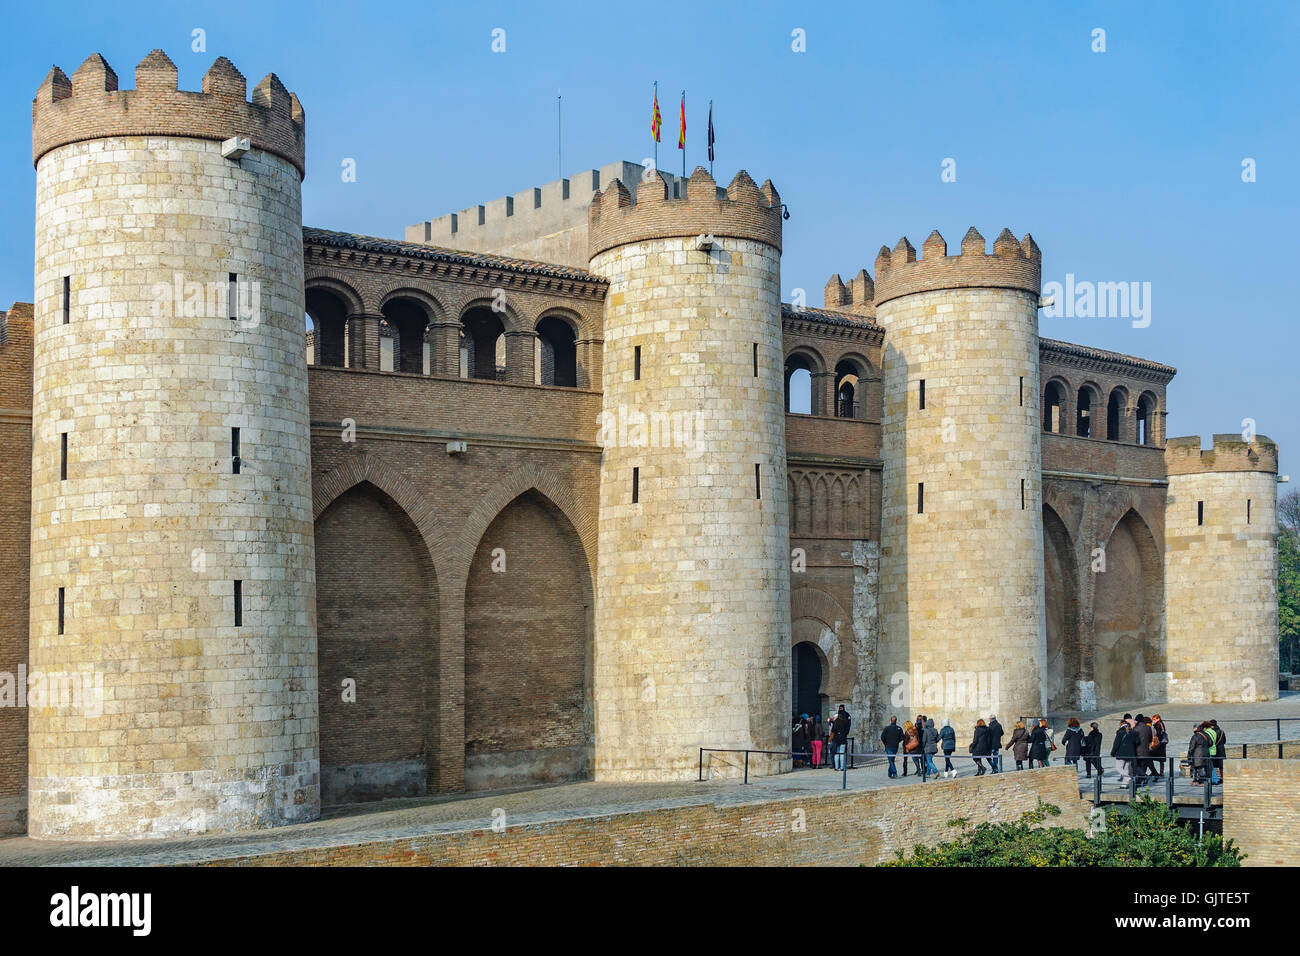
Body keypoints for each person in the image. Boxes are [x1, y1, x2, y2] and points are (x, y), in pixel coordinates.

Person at [1114, 718, 1138, 786]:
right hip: (1130, 753)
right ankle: (1124, 784)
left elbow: (1116, 743)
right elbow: (1137, 742)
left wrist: (1113, 752)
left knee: (1119, 768)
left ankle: (1127, 778)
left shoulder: (1119, 732)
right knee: (1126, 768)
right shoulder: (1133, 732)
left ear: (1121, 724)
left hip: (1121, 753)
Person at [1133, 713, 1153, 785]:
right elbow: (1150, 739)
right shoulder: (1148, 728)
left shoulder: (1135, 728)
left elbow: (1134, 740)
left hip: (1137, 751)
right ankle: (1143, 781)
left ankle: (1142, 779)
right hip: (1146, 751)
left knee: (1137, 765)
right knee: (1143, 766)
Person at [831, 706, 850, 771]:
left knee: (836, 753)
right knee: (842, 753)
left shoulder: (835, 722)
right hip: (843, 738)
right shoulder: (845, 722)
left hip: (836, 739)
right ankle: (842, 767)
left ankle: (836, 767)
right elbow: (847, 729)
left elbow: (833, 731)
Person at [1149, 714, 1168, 780]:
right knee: (1161, 759)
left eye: (1154, 719)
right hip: (1162, 744)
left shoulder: (1158, 725)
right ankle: (1161, 772)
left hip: (1159, 744)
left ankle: (1154, 771)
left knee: (1151, 757)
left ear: (1158, 718)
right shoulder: (1161, 724)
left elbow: (1158, 733)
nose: (1153, 721)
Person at [1204, 719, 1221, 785]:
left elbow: (1208, 742)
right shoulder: (1214, 732)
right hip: (1214, 750)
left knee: (1210, 766)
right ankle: (1213, 779)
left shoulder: (1207, 732)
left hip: (1209, 751)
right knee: (1211, 766)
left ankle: (1215, 780)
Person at [1209, 719, 1226, 784]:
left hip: (1215, 750)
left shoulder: (1212, 732)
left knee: (1212, 765)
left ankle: (1214, 779)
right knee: (1221, 766)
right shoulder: (1221, 731)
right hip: (1221, 750)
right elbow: (1224, 741)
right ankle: (1222, 778)